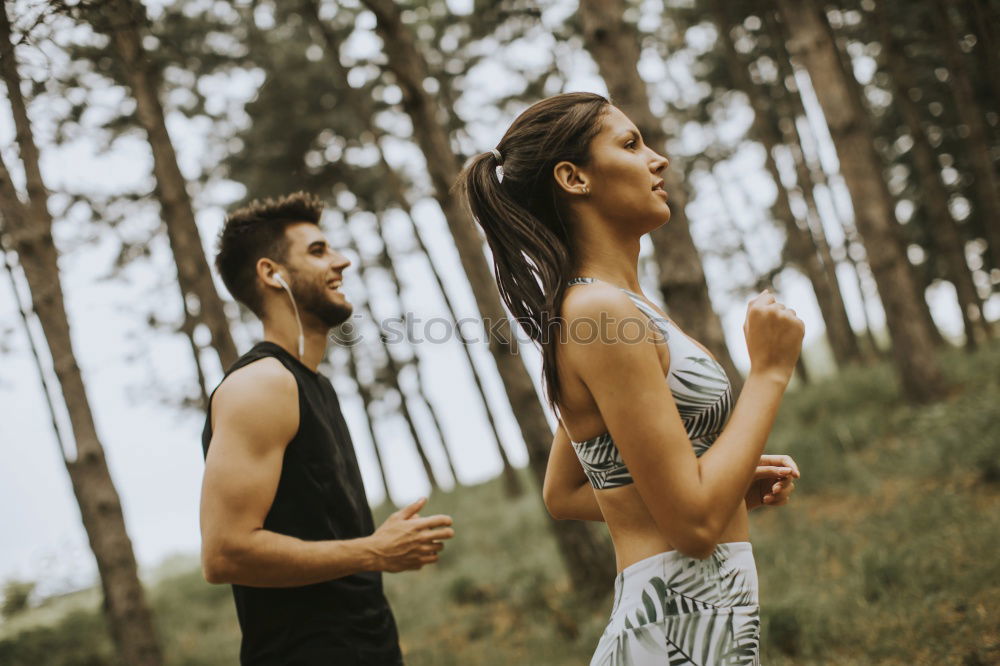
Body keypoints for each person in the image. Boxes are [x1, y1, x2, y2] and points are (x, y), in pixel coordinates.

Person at [458, 92, 803, 665]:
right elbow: (692, 526)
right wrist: (769, 372)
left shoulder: (619, 307)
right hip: (674, 625)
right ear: (574, 178)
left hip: (700, 620)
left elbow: (565, 492)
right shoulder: (601, 314)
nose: (658, 159)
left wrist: (728, 490)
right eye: (630, 144)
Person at [199, 192, 455, 665]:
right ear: (270, 273)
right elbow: (225, 554)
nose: (343, 260)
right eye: (318, 251)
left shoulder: (312, 385)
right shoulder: (259, 386)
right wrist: (373, 551)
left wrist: (371, 552)